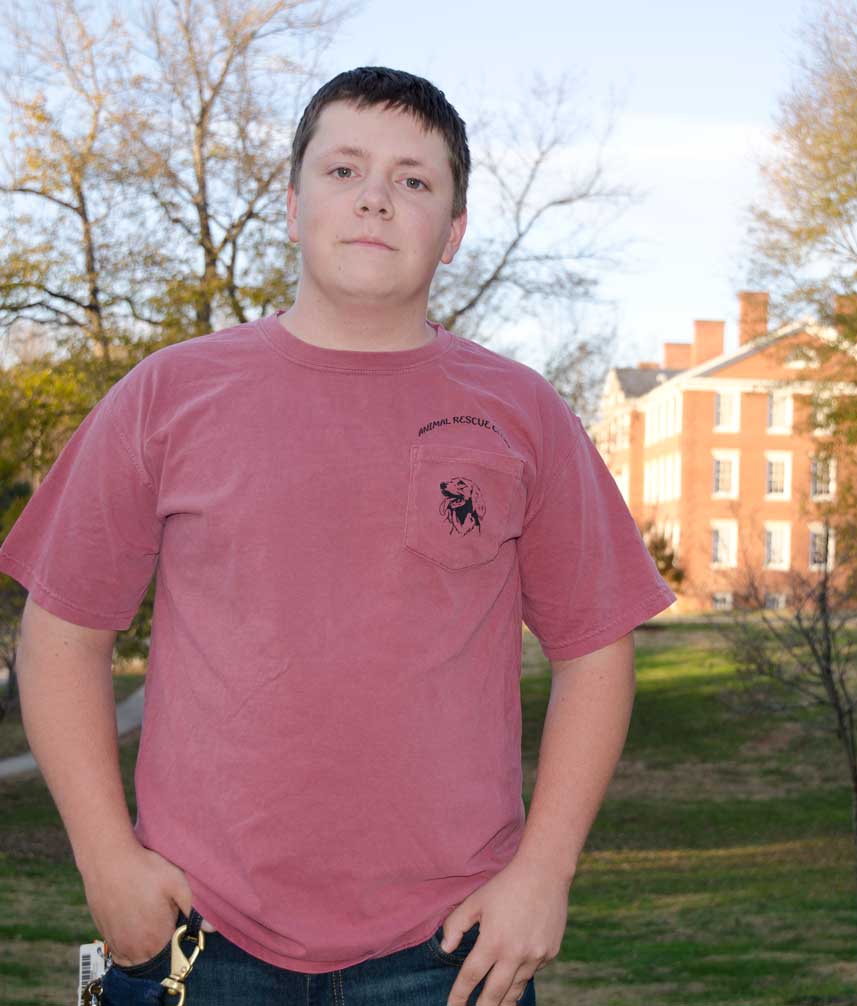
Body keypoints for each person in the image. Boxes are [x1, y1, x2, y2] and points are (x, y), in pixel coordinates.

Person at [0, 66, 675, 1006]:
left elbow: (598, 649)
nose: (375, 198)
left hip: (450, 950)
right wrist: (105, 858)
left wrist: (545, 872)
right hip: (199, 937)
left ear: (455, 232)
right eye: (344, 168)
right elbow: (62, 632)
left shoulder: (522, 414)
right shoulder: (167, 396)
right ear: (290, 204)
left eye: (414, 180)